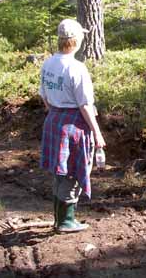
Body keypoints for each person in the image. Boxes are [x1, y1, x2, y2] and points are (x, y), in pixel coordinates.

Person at [39, 19, 106, 233]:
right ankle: (66, 221)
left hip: (54, 120)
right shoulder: (77, 68)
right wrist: (97, 133)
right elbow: (85, 105)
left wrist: (55, 113)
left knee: (60, 171)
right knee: (71, 170)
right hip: (73, 124)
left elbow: (44, 97)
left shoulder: (48, 63)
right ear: (75, 41)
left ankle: (59, 218)